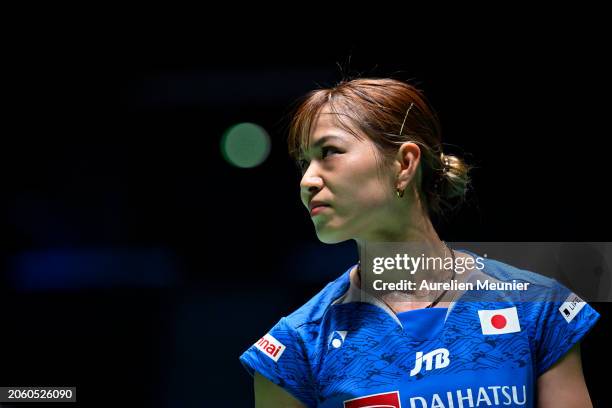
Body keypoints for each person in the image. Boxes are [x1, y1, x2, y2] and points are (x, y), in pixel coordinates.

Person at [239, 78, 600, 407]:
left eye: (329, 152)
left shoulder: (536, 308)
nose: (307, 180)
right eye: (303, 163)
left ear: (405, 163)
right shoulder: (294, 350)